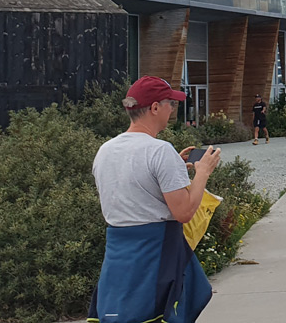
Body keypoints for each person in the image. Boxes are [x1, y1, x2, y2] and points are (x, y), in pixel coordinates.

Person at [89, 76, 222, 323]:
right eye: (170, 103)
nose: (173, 109)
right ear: (154, 108)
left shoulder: (105, 150)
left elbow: (134, 189)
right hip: (154, 250)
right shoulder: (160, 151)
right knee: (156, 315)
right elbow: (184, 212)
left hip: (118, 254)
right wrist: (202, 173)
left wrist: (176, 168)